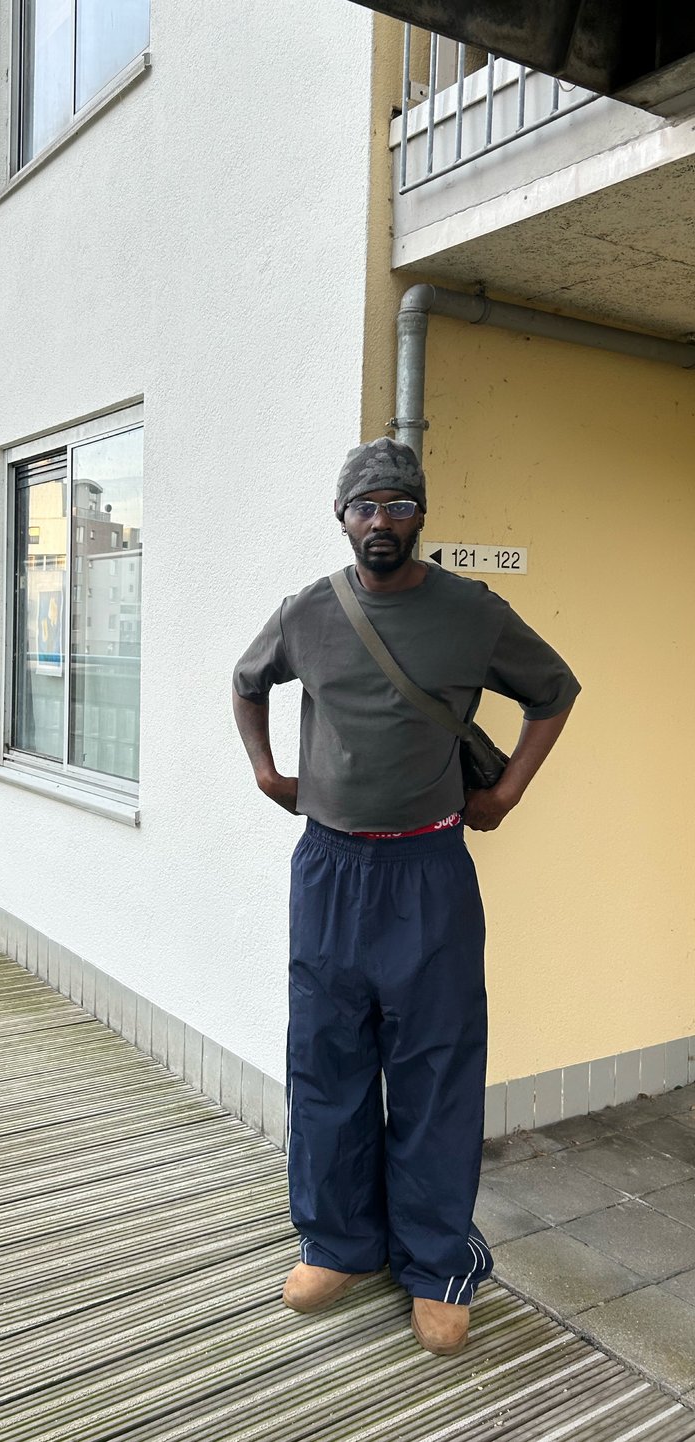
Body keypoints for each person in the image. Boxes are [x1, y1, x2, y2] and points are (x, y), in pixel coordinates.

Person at [231, 437, 579, 1356]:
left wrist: (504, 795)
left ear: (421, 515)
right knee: (328, 1056)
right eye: (364, 506)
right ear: (341, 518)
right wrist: (269, 772)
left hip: (429, 871)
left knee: (436, 1065)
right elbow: (245, 681)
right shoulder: (308, 613)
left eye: (396, 504)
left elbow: (555, 690)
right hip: (331, 869)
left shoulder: (471, 613)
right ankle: (339, 1244)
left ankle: (437, 1267)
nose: (380, 522)